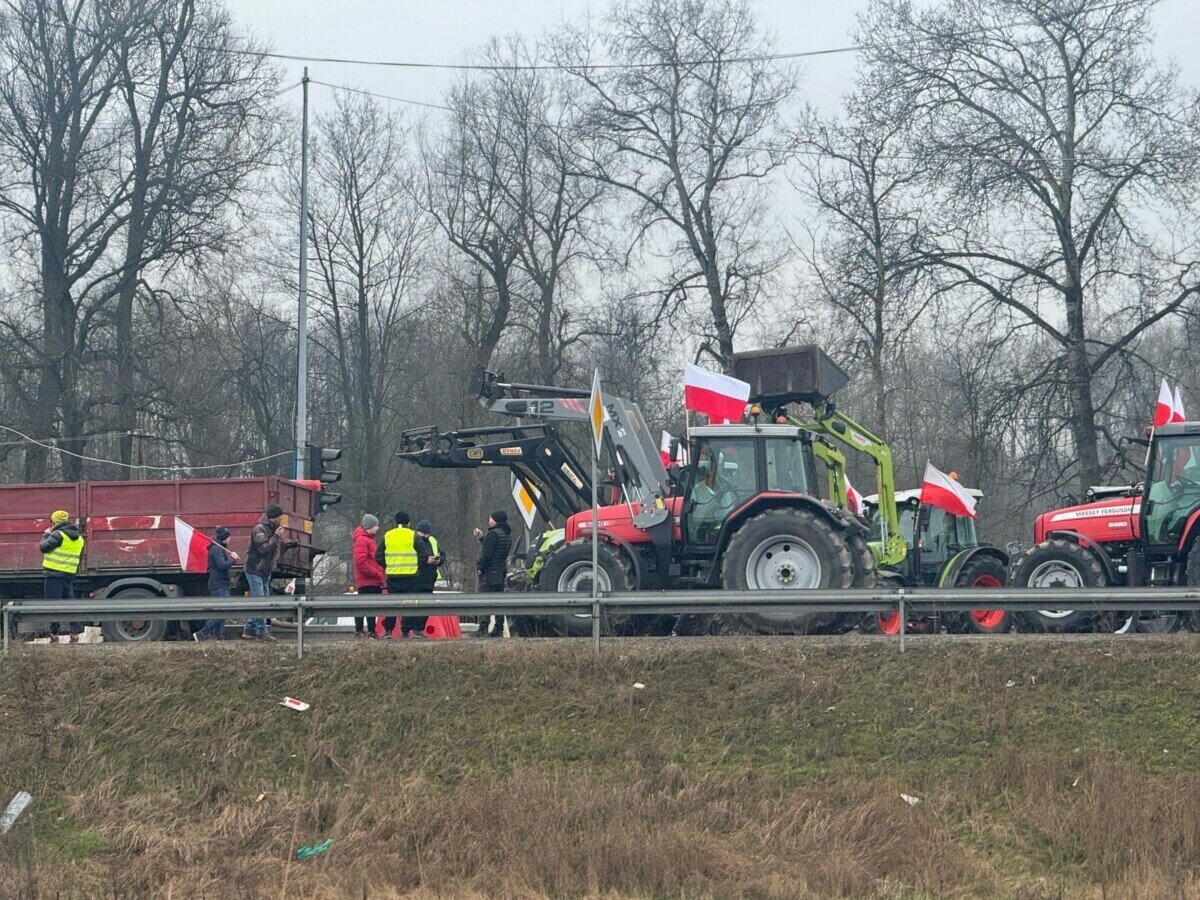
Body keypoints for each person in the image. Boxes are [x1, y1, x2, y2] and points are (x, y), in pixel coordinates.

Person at [243, 504, 295, 641]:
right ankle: (261, 631)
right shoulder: (259, 529)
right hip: (255, 569)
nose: (281, 519)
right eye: (280, 517)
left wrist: (287, 543)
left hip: (265, 570)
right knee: (261, 602)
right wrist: (276, 537)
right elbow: (263, 548)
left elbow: (274, 547)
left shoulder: (271, 529)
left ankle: (249, 628)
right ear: (273, 517)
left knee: (264, 601)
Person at [40, 509, 84, 640]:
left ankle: (54, 635)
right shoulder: (80, 538)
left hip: (53, 575)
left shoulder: (58, 534)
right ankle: (74, 634)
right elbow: (80, 557)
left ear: (54, 522)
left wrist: (46, 534)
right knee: (70, 604)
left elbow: (42, 547)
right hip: (68, 575)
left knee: (52, 606)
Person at [376, 511, 420, 637]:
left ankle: (388, 631)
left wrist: (388, 565)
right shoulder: (413, 535)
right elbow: (423, 554)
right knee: (410, 604)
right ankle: (406, 631)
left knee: (392, 604)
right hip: (411, 576)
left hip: (393, 577)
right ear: (409, 522)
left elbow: (377, 555)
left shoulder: (388, 535)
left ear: (396, 522)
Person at [194, 526, 239, 641]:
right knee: (222, 612)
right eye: (228, 536)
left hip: (222, 584)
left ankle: (220, 638)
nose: (230, 539)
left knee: (222, 613)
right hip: (218, 584)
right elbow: (222, 565)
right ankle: (202, 633)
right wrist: (233, 559)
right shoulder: (217, 549)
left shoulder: (219, 548)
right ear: (224, 538)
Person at [474, 510, 512, 638]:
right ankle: (498, 628)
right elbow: (497, 550)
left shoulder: (493, 534)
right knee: (498, 601)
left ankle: (483, 628)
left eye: (490, 518)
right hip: (500, 572)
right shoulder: (506, 535)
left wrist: (481, 568)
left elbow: (488, 554)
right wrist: (482, 539)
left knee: (484, 600)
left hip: (489, 573)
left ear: (496, 520)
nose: (488, 521)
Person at [409, 519, 445, 637]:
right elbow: (410, 558)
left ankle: (418, 630)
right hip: (417, 576)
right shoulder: (413, 540)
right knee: (416, 605)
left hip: (429, 577)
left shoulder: (432, 541)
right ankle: (412, 630)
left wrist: (438, 560)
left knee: (425, 606)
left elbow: (442, 554)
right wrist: (425, 560)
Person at [352, 513, 385, 638]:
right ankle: (365, 631)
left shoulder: (366, 539)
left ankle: (367, 631)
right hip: (368, 580)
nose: (377, 528)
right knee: (367, 605)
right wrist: (376, 574)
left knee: (368, 606)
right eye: (376, 525)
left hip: (371, 580)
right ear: (370, 526)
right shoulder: (362, 539)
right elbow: (360, 562)